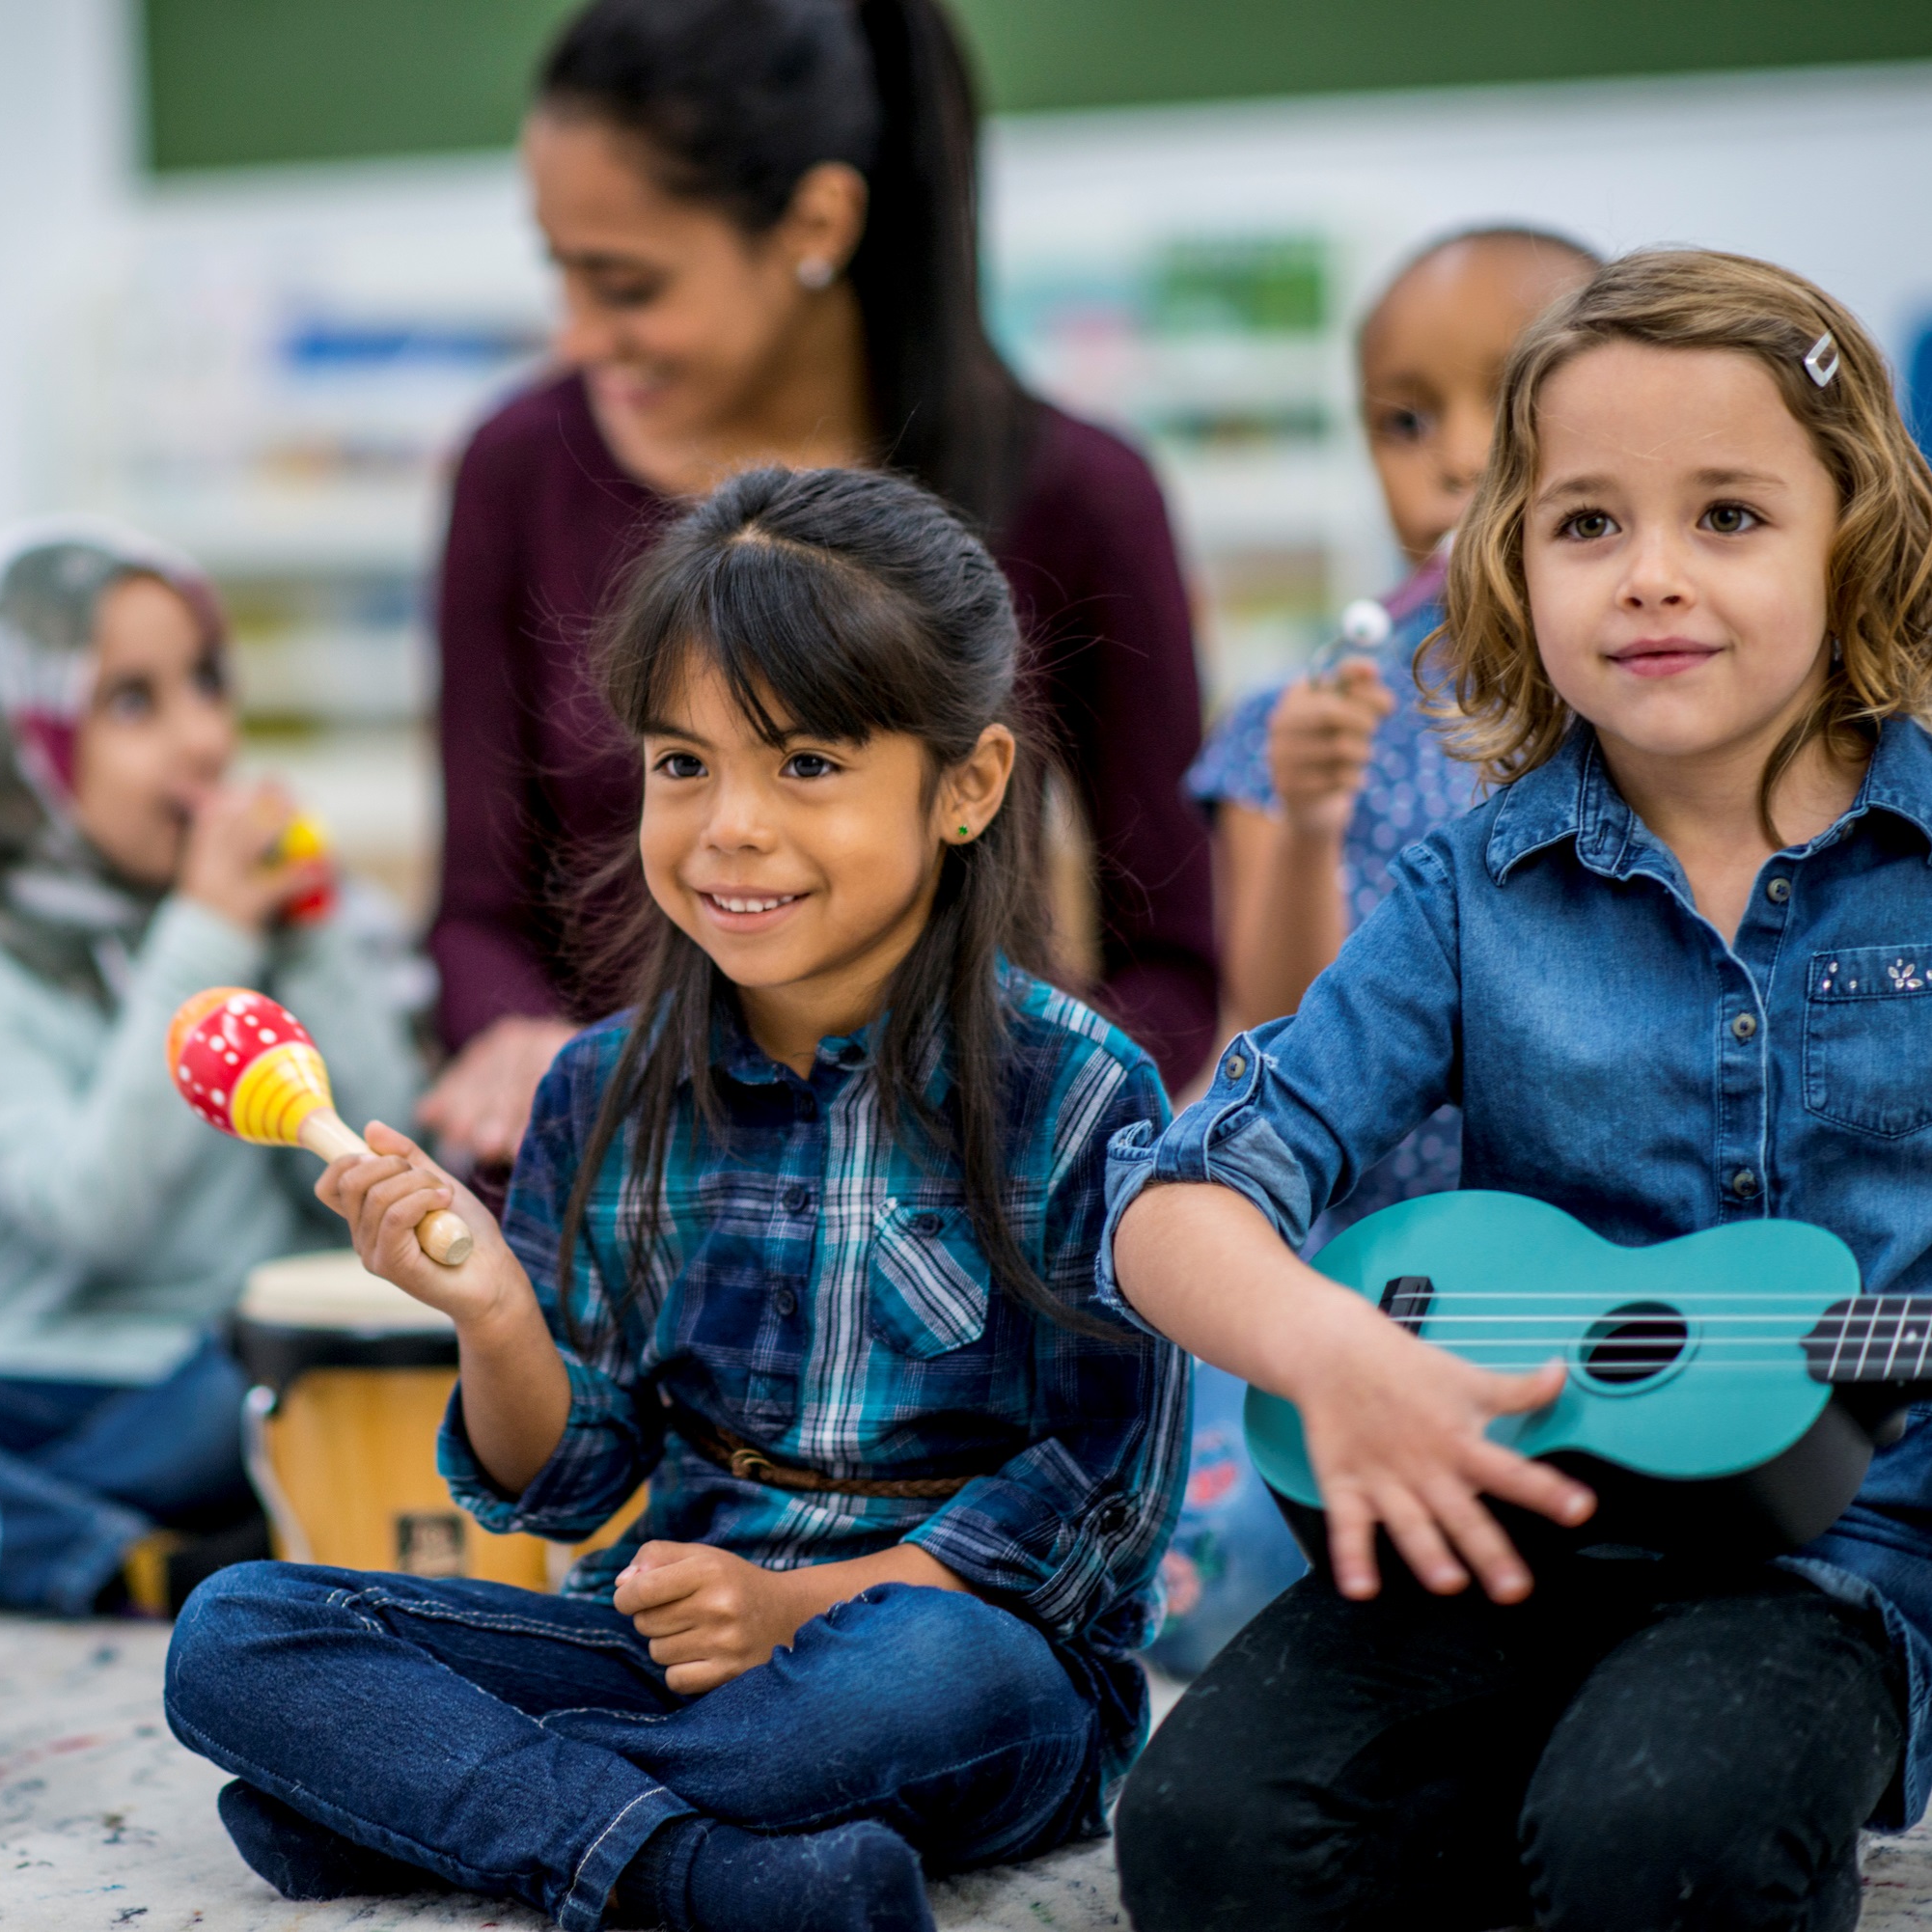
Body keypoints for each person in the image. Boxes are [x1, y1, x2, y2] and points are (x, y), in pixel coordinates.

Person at [1107, 251, 1932, 1930]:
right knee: (1200, 1835)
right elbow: (1181, 1199)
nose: (1652, 578)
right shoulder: (1470, 886)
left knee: (1661, 1842)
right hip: (1490, 1518)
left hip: (1838, 1557)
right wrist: (1332, 1351)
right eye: (1588, 524)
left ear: (1858, 538)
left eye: (1730, 517)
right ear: (1511, 565)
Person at [166, 467, 1186, 1932]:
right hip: (668, 1647)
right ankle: (694, 1868)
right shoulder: (598, 1090)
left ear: (966, 786)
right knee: (237, 1633)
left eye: (809, 765)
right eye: (682, 763)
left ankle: (451, 1805)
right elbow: (571, 1477)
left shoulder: (1078, 1094)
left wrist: (796, 1608)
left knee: (933, 1677)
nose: (729, 828)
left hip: (961, 1660)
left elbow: (1096, 1508)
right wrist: (493, 1314)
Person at [421, 0, 1211, 1177]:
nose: (579, 335)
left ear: (817, 220)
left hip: (960, 1207)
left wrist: (1011, 1111)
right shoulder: (516, 469)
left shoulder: (1079, 494)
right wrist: (524, 1043)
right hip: (610, 1198)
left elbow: (1177, 960)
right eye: (562, 273)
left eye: (627, 285)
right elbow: (476, 913)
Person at [1150, 229, 1598, 1674]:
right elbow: (1271, 1016)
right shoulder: (1303, 715)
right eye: (1406, 419)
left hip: (1606, 1279)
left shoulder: (1655, 699)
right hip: (1365, 1285)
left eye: (1510, 404)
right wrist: (1305, 811)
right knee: (1220, 1588)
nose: (1454, 460)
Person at [0, 520, 424, 1618]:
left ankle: (80, 1538)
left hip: (228, 1373)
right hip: (62, 1388)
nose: (204, 738)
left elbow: (381, 1137)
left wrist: (305, 934)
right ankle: (140, 1555)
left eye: (206, 684)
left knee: (294, 1372)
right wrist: (204, 934)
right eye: (133, 702)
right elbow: (93, 1211)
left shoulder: (256, 921)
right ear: (12, 754)